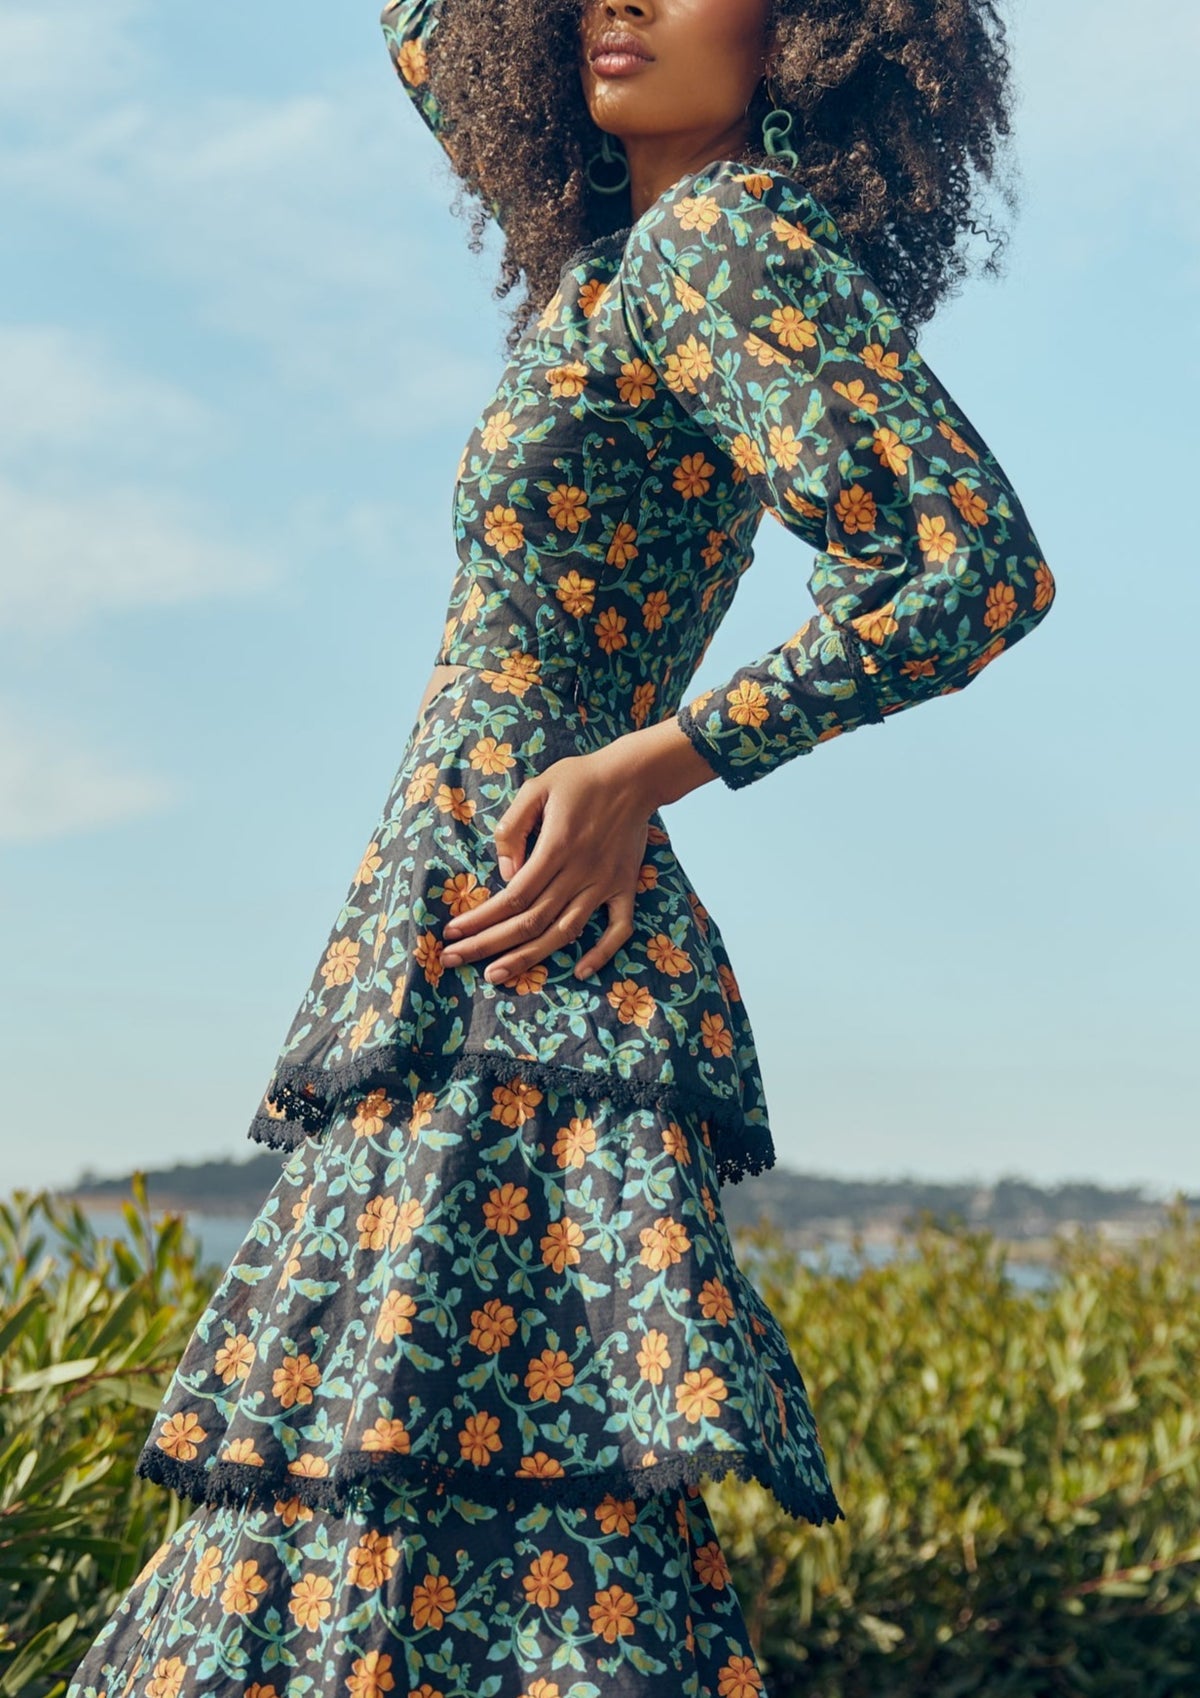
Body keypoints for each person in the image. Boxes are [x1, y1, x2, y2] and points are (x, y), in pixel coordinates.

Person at [66, 1, 1055, 1693]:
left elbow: (972, 566)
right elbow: (425, 32)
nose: (617, 0)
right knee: (446, 1517)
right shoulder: (628, 251)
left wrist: (653, 767)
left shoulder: (725, 245)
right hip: (470, 952)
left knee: (423, 1522)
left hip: (524, 955)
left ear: (813, 33)